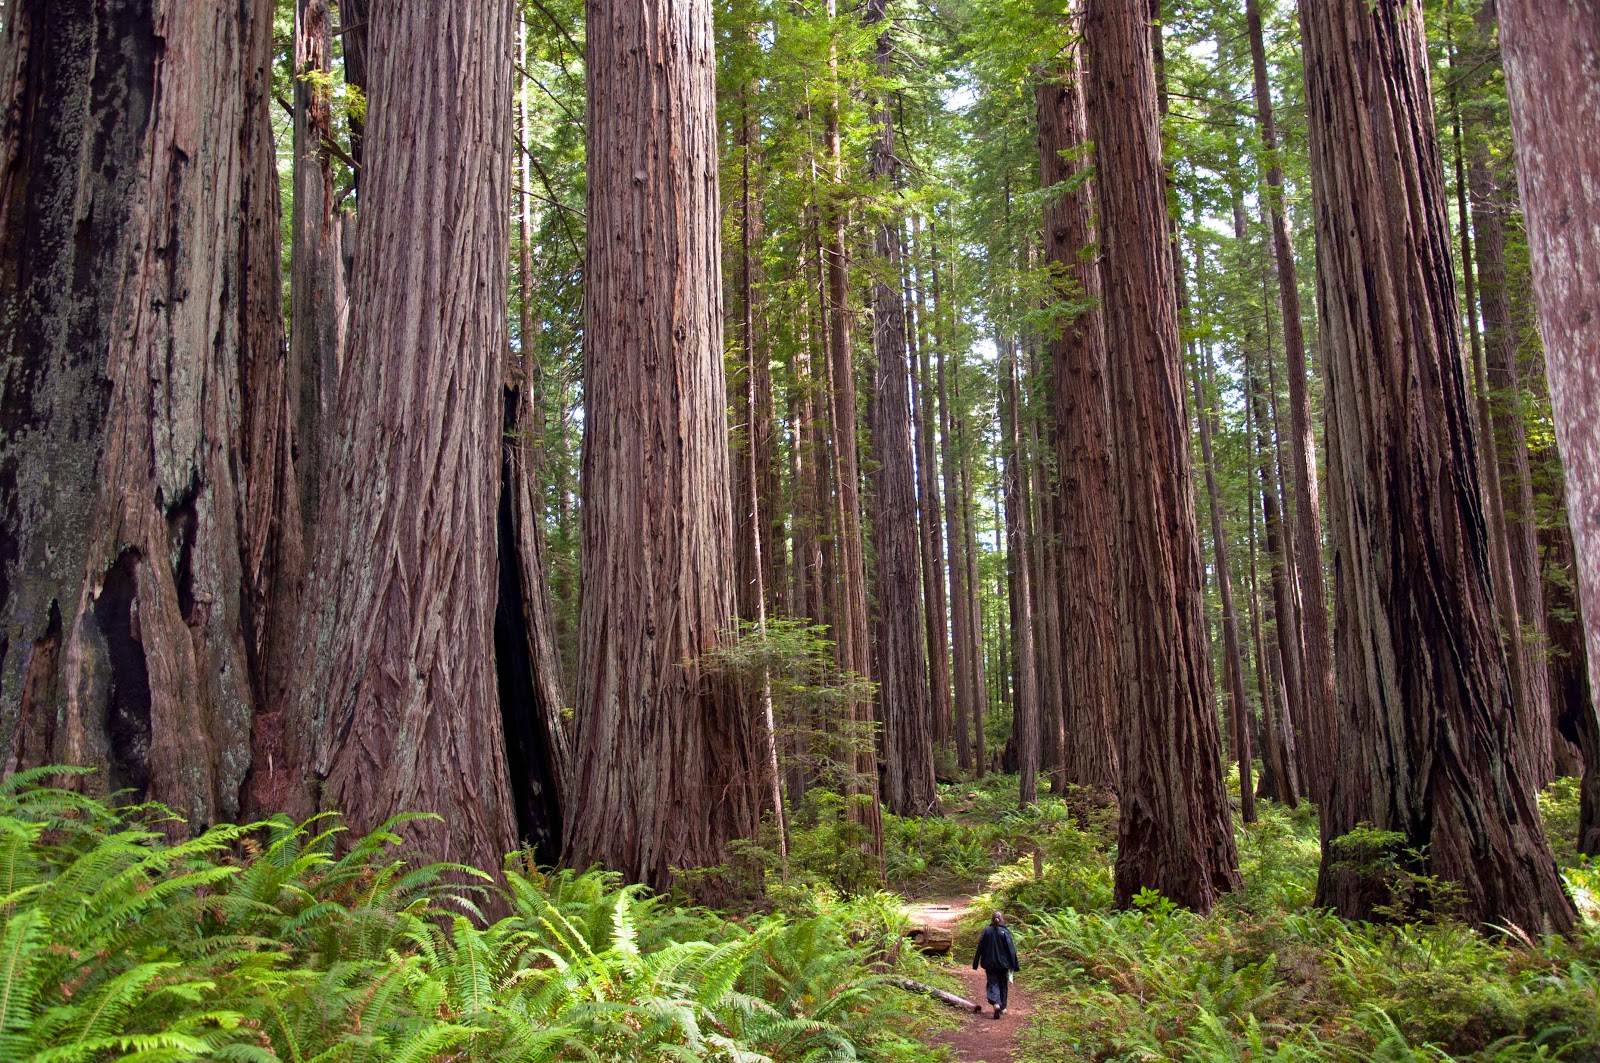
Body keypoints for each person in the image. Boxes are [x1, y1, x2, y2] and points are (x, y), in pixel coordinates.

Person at [971, 911, 1019, 1019]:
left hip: (990, 964)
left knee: (993, 984)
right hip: (1003, 965)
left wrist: (975, 963)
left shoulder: (986, 931)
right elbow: (1011, 950)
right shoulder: (1005, 932)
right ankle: (1003, 1007)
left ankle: (996, 1004)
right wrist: (1014, 965)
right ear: (1002, 919)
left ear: (991, 919)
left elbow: (980, 948)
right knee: (1003, 984)